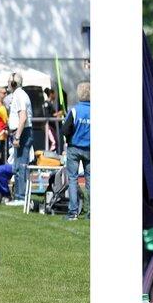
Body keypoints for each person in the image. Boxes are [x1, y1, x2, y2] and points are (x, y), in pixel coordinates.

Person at [61, 81, 92, 219]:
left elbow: (65, 130)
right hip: (91, 149)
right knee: (90, 180)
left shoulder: (75, 110)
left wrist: (69, 138)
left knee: (73, 179)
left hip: (74, 148)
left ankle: (73, 212)